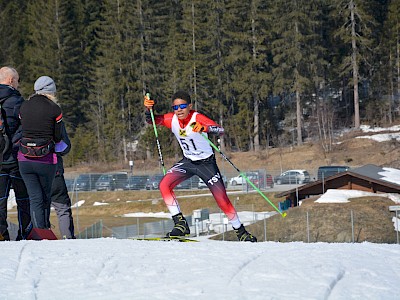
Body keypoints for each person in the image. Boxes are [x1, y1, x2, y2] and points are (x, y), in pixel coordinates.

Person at [144, 91, 257, 242]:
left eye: (183, 106)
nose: (179, 110)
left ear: (189, 106)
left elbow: (220, 130)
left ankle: (241, 232)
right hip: (188, 162)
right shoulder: (172, 119)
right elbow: (152, 120)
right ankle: (180, 224)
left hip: (206, 164)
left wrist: (205, 128)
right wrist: (148, 110)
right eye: (176, 107)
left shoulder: (197, 118)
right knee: (164, 184)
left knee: (222, 199)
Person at [18, 76, 63, 230]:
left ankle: (38, 231)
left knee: (34, 198)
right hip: (45, 159)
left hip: (24, 159)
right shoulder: (54, 109)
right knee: (45, 197)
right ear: (51, 91)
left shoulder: (24, 106)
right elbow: (58, 137)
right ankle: (44, 230)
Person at [0, 67, 31, 241]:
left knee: (0, 199)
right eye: (17, 80)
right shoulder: (18, 101)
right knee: (23, 199)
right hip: (16, 158)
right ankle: (24, 233)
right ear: (11, 81)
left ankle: (1, 235)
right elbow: (24, 128)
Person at [51, 123, 75, 239]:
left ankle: (39, 237)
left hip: (31, 172)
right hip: (54, 171)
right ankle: (67, 238)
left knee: (37, 207)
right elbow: (65, 147)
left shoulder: (24, 115)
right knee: (62, 209)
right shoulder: (55, 118)